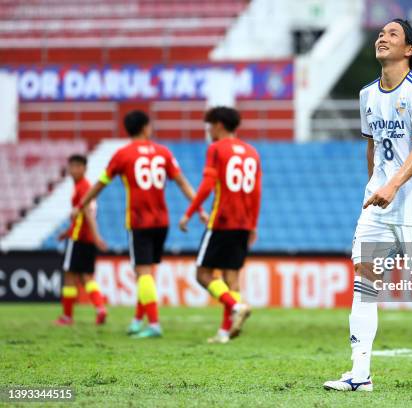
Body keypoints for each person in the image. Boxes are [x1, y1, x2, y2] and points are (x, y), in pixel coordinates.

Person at [323, 19, 412, 392]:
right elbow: (372, 146)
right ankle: (360, 373)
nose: (382, 38)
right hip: (379, 203)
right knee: (364, 281)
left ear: (410, 50)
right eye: (381, 33)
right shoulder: (367, 94)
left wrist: (392, 184)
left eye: (392, 35)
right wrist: (375, 187)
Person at [73, 110, 205, 338]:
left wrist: (82, 202)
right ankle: (137, 319)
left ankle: (154, 324)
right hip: (162, 221)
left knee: (142, 273)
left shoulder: (122, 155)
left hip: (139, 221)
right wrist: (199, 209)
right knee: (146, 273)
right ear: (145, 127)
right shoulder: (163, 152)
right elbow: (183, 183)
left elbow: (100, 184)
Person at [179, 107, 261, 344]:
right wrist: (253, 225)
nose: (208, 131)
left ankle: (236, 306)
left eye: (210, 125)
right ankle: (225, 332)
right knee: (232, 278)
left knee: (202, 274)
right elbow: (256, 191)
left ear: (219, 125)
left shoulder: (216, 149)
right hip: (243, 223)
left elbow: (206, 184)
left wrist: (189, 213)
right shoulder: (251, 152)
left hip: (222, 220)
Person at [56, 154, 107, 326]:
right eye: (71, 166)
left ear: (84, 169)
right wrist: (66, 231)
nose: (73, 170)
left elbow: (87, 214)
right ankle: (100, 308)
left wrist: (96, 235)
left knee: (70, 276)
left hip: (79, 238)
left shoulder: (82, 188)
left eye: (77, 166)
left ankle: (67, 316)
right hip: (86, 238)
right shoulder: (85, 186)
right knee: (87, 277)